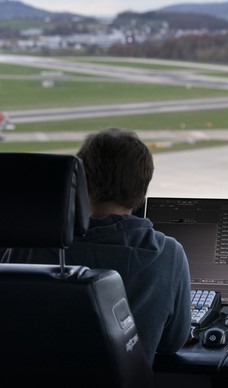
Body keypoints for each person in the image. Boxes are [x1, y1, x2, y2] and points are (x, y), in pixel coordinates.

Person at [2, 127, 192, 366]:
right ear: (142, 189)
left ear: (80, 182)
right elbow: (171, 342)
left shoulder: (23, 248)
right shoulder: (168, 255)